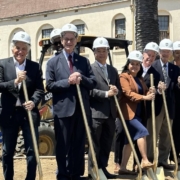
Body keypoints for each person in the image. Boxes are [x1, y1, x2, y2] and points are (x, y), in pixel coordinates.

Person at [46, 23, 96, 180]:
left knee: (79, 145)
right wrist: (68, 81)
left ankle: (76, 174)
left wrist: (81, 78)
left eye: (71, 39)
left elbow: (93, 82)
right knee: (63, 145)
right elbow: (49, 85)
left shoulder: (83, 61)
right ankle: (63, 175)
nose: (69, 42)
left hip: (81, 110)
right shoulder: (52, 63)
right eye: (66, 39)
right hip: (63, 111)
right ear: (61, 41)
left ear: (76, 40)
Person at [0, 31, 44, 180]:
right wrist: (15, 82)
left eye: (24, 48)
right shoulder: (2, 64)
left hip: (28, 113)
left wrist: (34, 101)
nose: (20, 51)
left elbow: (40, 89)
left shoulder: (34, 66)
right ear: (13, 48)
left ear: (28, 50)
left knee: (32, 151)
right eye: (17, 47)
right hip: (9, 113)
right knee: (7, 151)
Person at [118, 50, 155, 175]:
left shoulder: (139, 79)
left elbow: (143, 93)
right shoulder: (123, 76)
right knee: (142, 131)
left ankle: (123, 167)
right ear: (128, 64)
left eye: (137, 64)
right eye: (132, 63)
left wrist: (150, 92)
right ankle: (144, 160)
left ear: (140, 66)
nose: (134, 66)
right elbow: (128, 93)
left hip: (139, 112)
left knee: (129, 141)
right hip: (128, 113)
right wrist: (144, 98)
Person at [89, 37, 121, 179]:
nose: (102, 53)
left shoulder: (112, 70)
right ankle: (93, 170)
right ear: (94, 52)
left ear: (108, 52)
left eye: (104, 51)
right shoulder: (90, 69)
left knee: (107, 144)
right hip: (96, 113)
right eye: (99, 51)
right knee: (94, 144)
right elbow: (89, 91)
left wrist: (116, 91)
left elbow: (119, 91)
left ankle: (102, 168)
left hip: (110, 114)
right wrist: (106, 94)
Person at [147, 38, 180, 170]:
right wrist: (155, 87)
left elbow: (175, 89)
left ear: (171, 53)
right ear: (159, 52)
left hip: (169, 107)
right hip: (157, 106)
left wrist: (179, 84)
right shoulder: (153, 66)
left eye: (168, 52)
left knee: (166, 135)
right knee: (152, 135)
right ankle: (149, 160)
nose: (165, 54)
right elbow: (146, 81)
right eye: (163, 51)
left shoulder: (174, 68)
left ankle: (162, 160)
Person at [169, 41, 180, 163]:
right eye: (177, 53)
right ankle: (173, 155)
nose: (179, 55)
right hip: (174, 103)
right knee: (175, 130)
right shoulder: (171, 68)